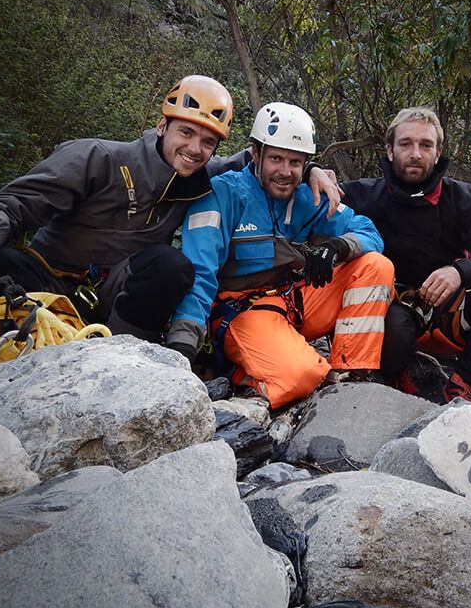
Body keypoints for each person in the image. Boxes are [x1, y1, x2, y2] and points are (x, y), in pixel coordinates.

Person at [0, 75, 340, 341]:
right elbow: (14, 202)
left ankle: (119, 354)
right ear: (162, 126)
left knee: (172, 266)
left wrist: (313, 171)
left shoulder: (201, 177)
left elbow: (265, 165)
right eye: (186, 131)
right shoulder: (97, 158)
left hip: (113, 292)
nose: (195, 148)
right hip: (47, 278)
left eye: (207, 141)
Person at [166, 102, 394, 408]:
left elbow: (370, 233)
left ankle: (350, 373)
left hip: (294, 301)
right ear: (256, 154)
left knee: (374, 266)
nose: (285, 172)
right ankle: (243, 375)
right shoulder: (221, 195)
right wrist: (182, 348)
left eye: (296, 162)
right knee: (302, 376)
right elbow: (200, 272)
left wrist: (338, 246)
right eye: (276, 159)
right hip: (242, 311)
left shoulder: (308, 196)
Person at [340, 106, 471, 403]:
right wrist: (314, 172)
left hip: (451, 308)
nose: (415, 153)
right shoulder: (360, 196)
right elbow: (286, 180)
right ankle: (393, 376)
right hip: (394, 309)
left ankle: (464, 384)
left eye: (426, 145)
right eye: (406, 144)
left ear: (438, 152)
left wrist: (461, 271)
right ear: (389, 150)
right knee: (394, 327)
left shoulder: (465, 200)